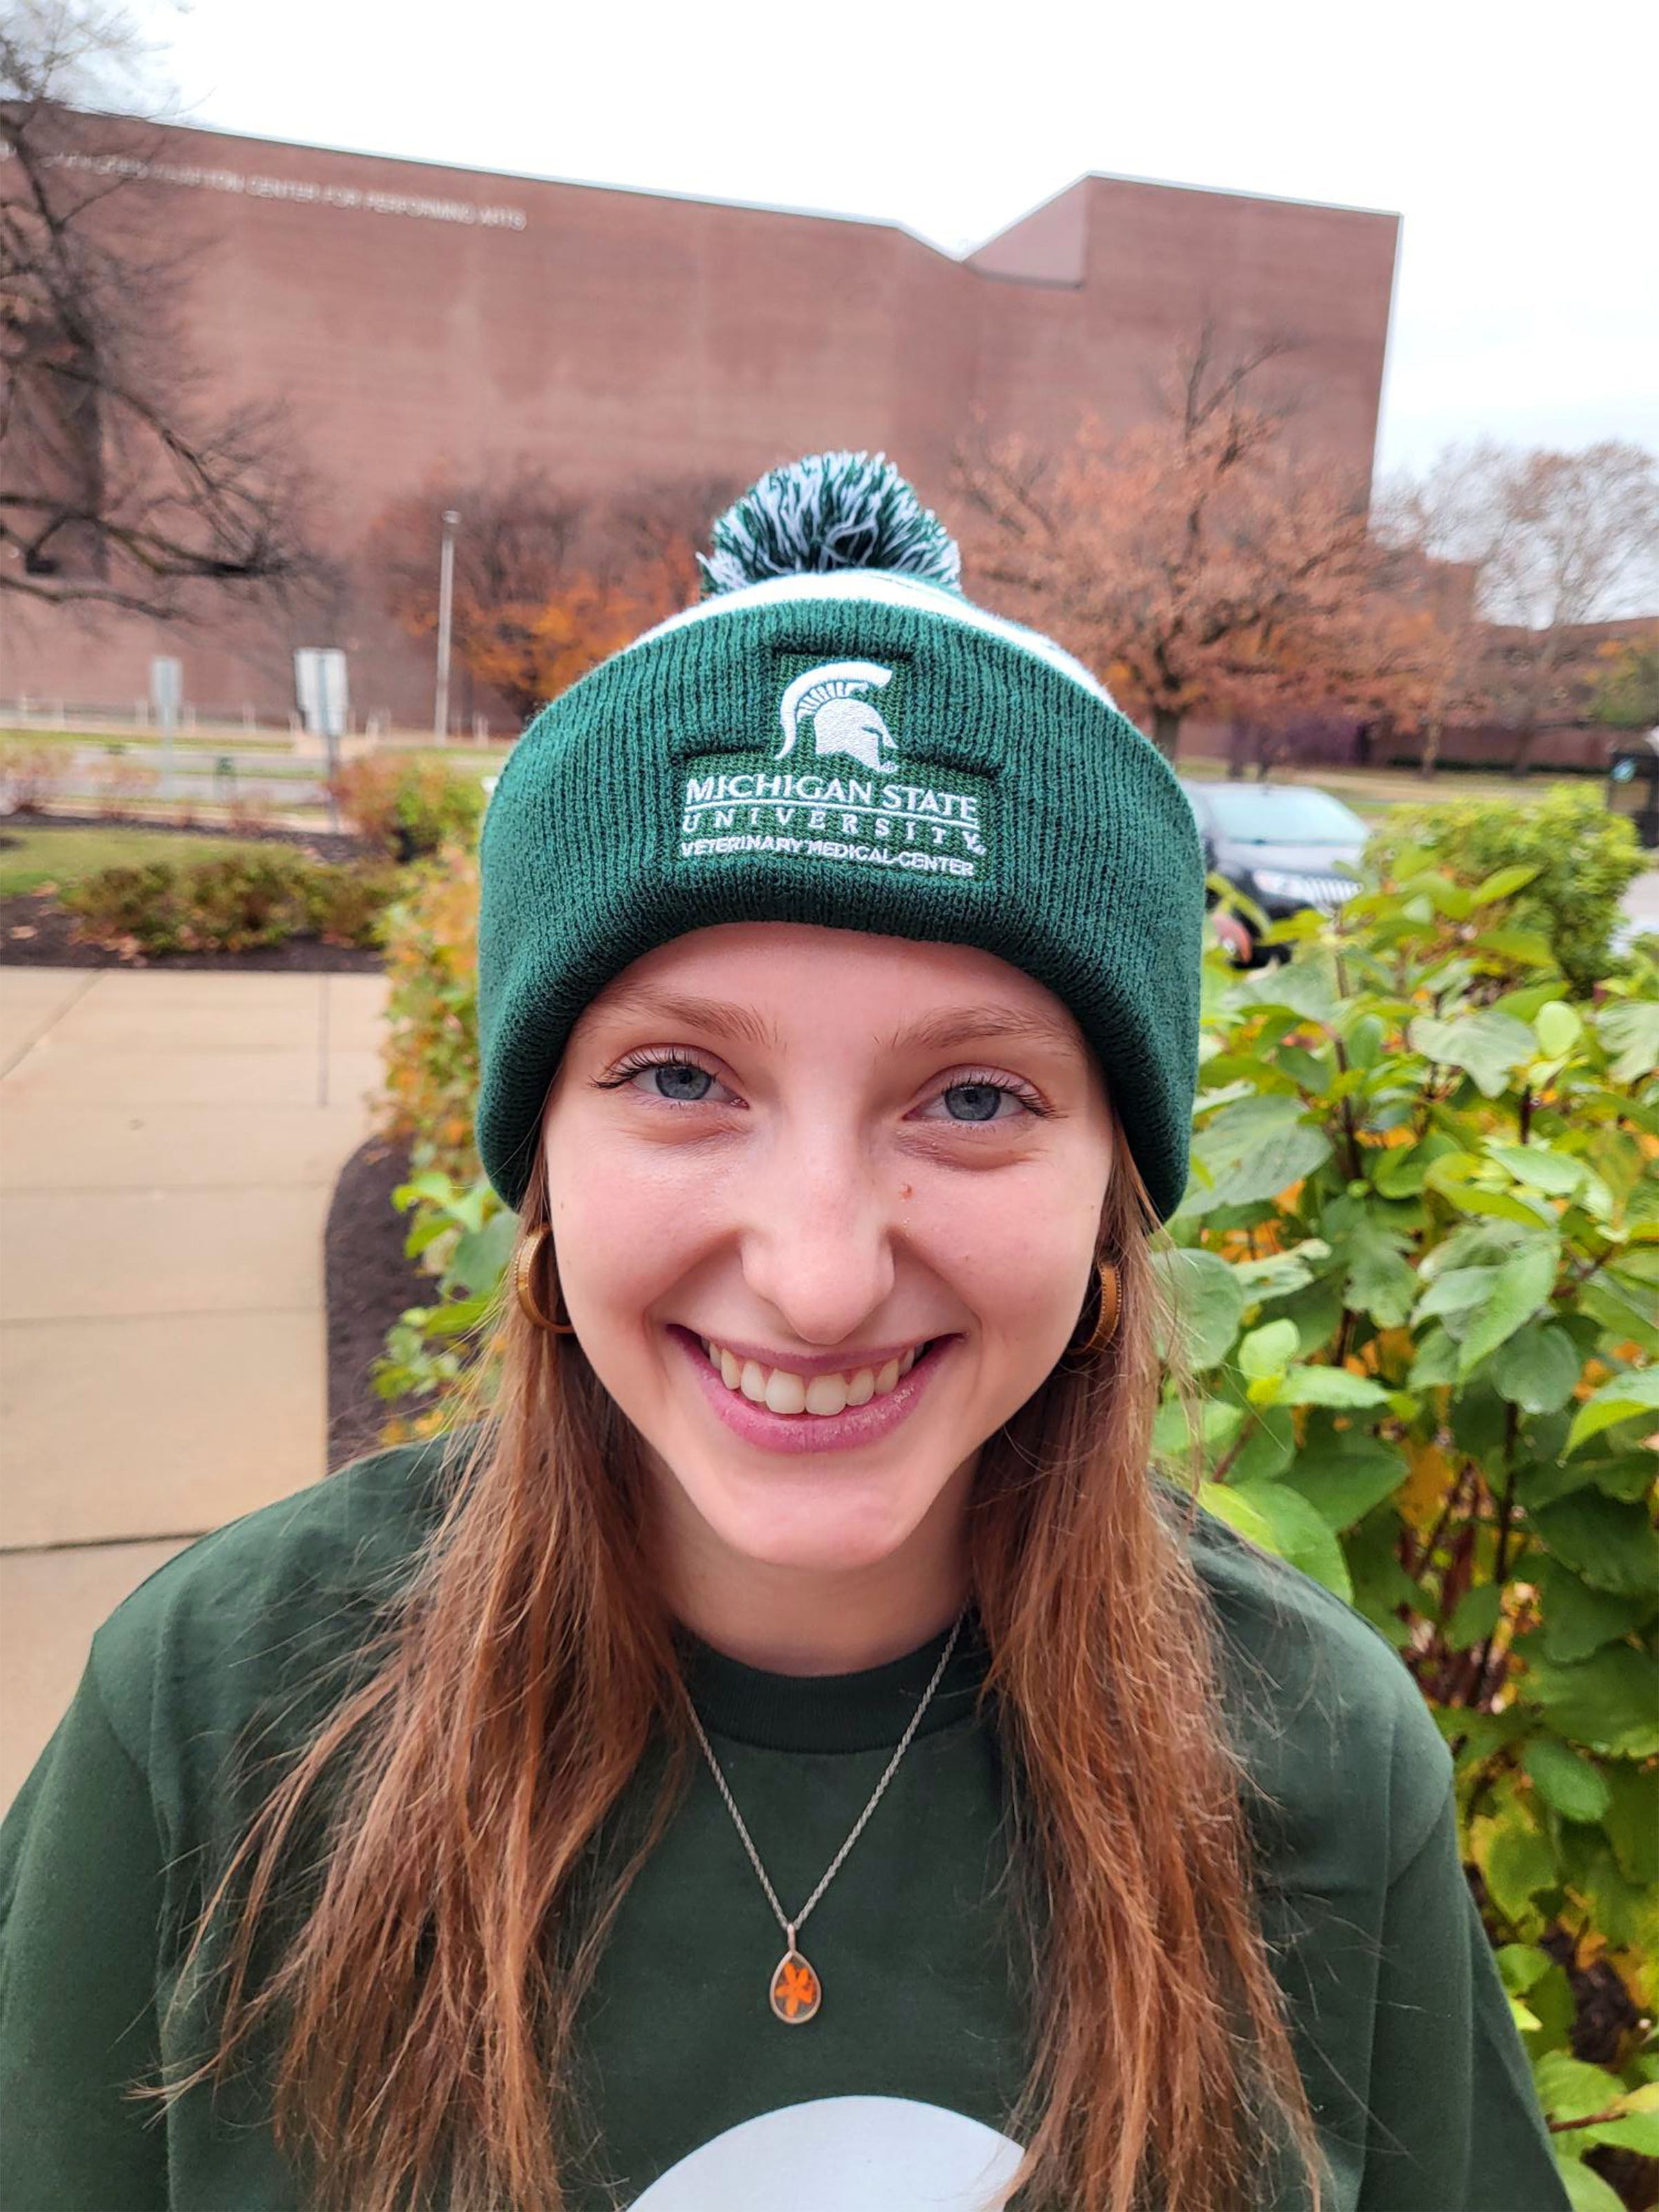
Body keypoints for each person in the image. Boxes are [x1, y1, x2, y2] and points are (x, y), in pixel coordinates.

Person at [0, 454, 1568, 2212]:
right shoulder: (217, 1720)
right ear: (541, 1162)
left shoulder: (1324, 1763)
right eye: (681, 1077)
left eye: (973, 1096)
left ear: (1117, 1186)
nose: (818, 1278)